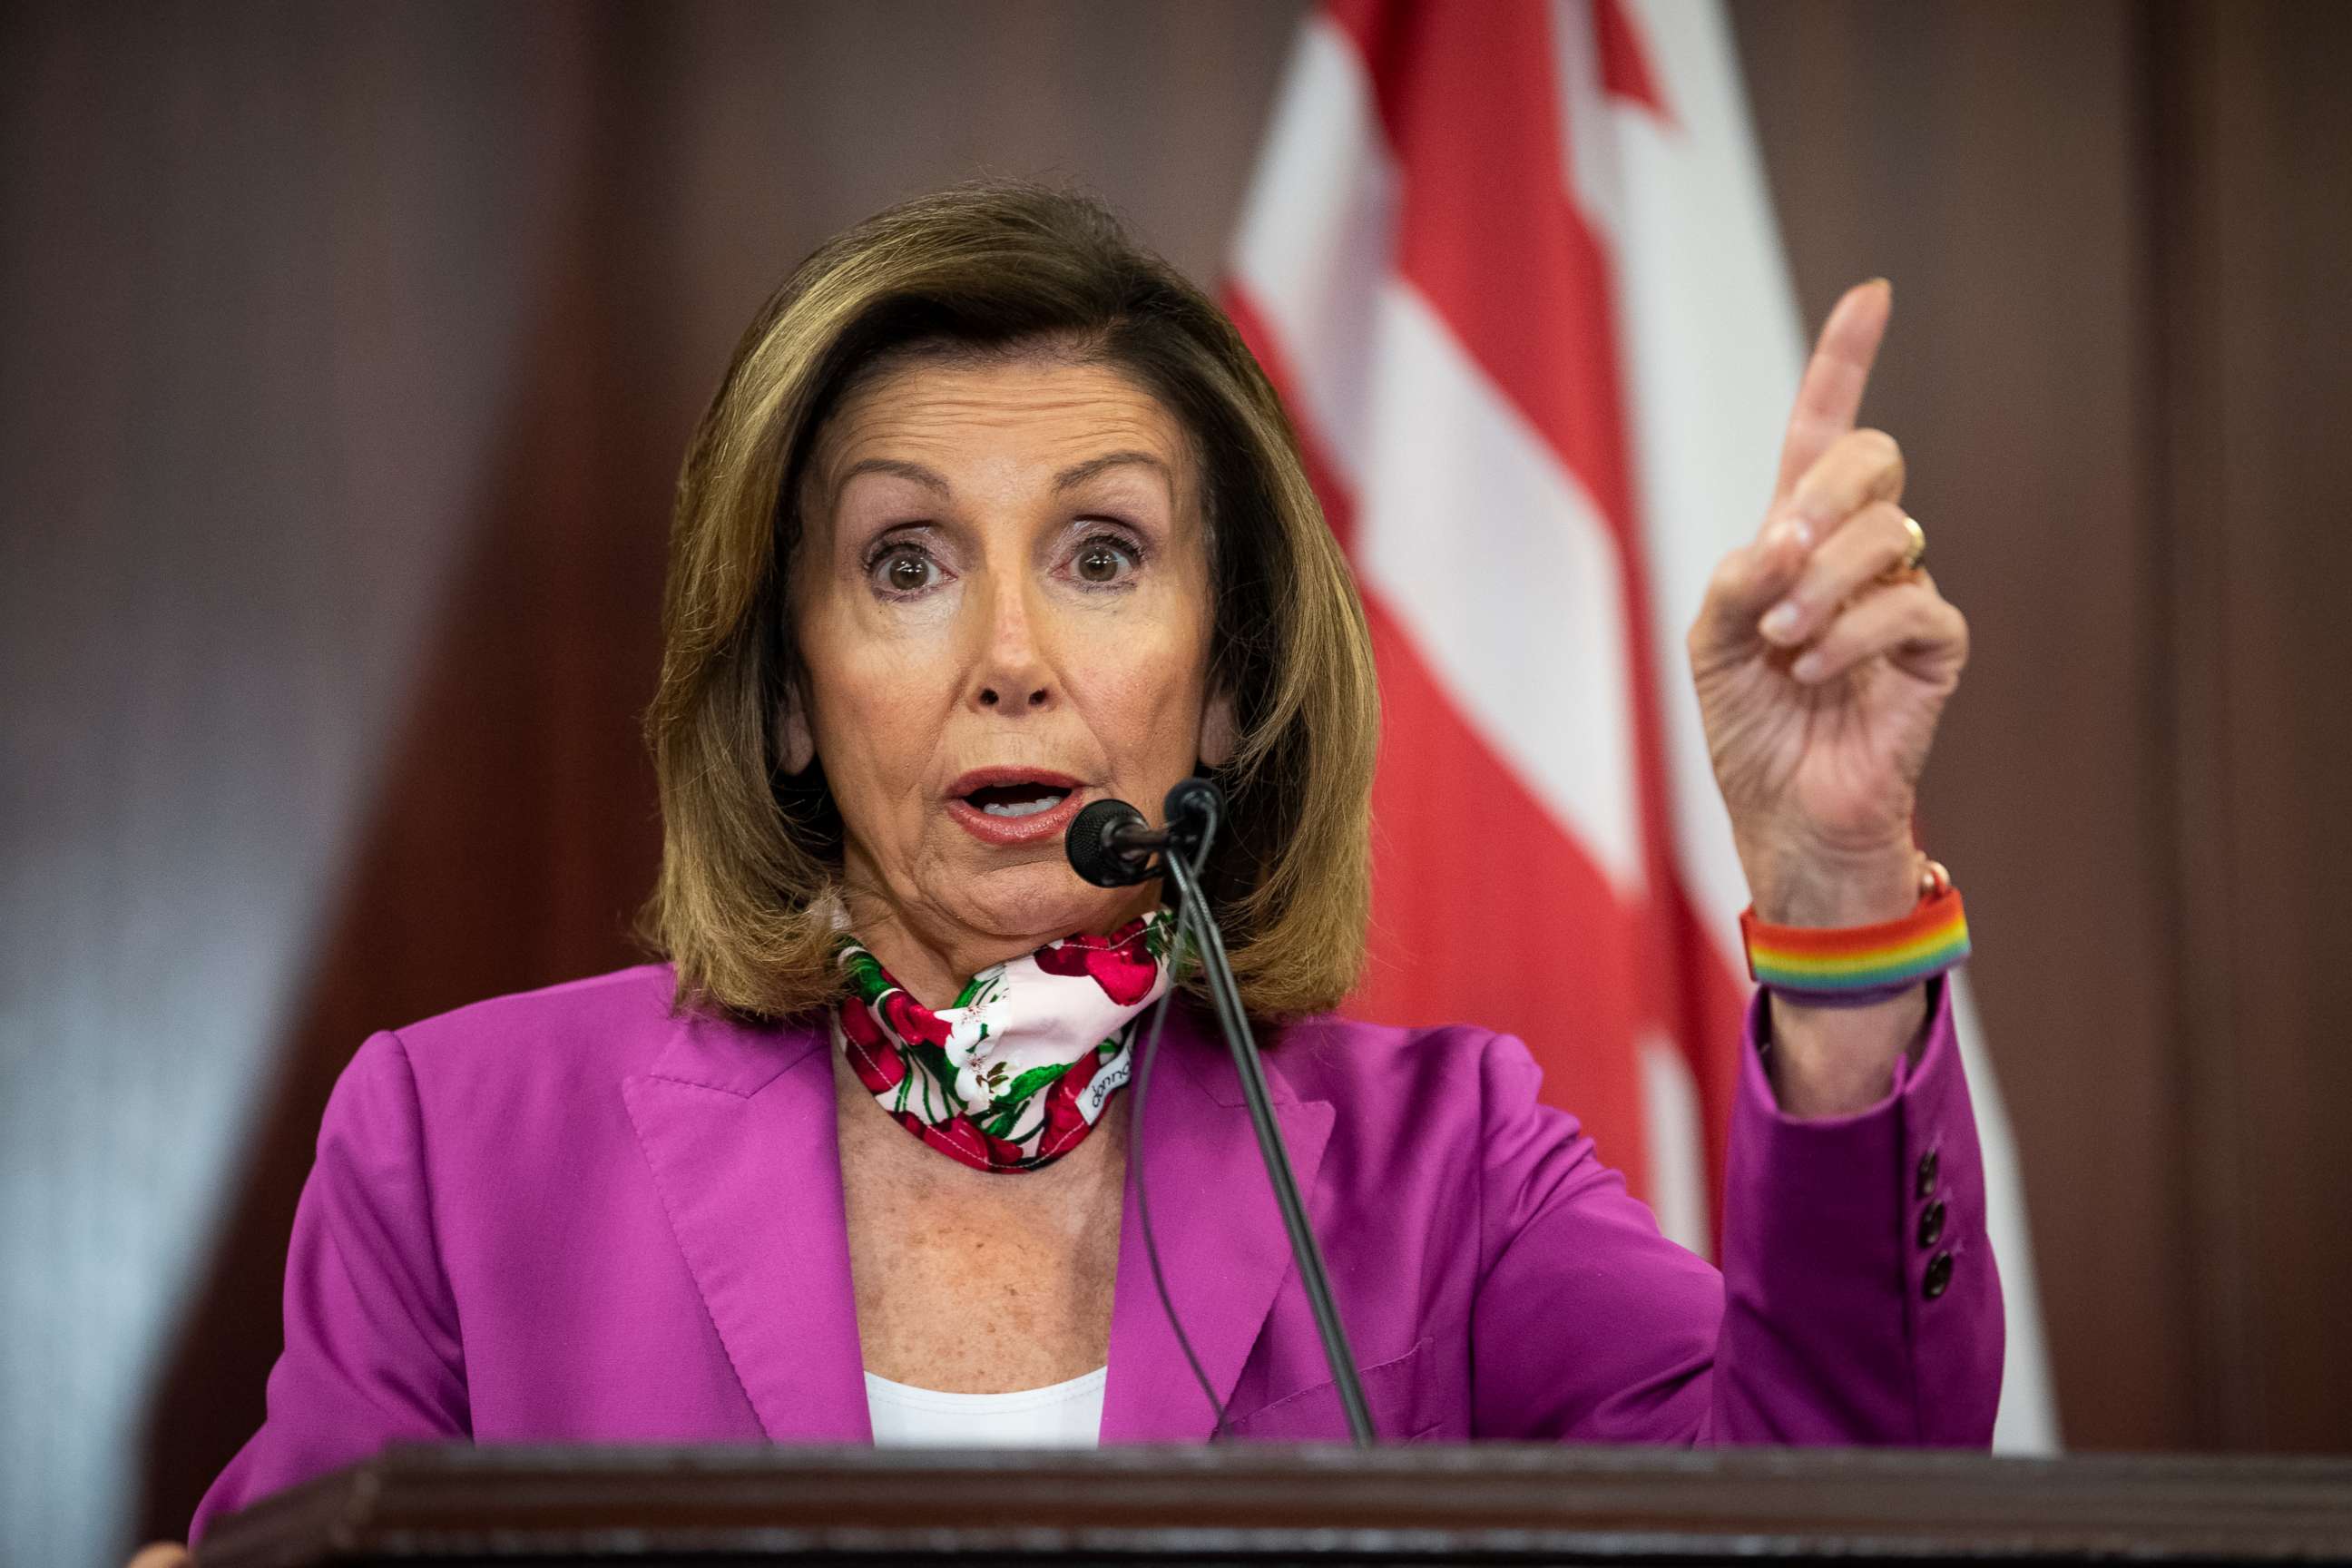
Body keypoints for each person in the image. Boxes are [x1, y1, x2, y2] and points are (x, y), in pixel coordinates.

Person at [185, 181, 1998, 1541]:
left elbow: (1836, 1518)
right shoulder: (456, 1147)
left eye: (1104, 554)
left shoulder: (1447, 1180)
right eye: (904, 561)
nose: (1009, 652)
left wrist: (1835, 889)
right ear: (794, 689)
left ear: (1224, 681)